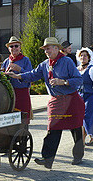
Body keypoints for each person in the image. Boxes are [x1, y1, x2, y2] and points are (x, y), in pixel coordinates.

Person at [6, 37, 84, 169]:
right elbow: (33, 74)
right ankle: (47, 159)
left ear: (56, 48)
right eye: (45, 49)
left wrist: (63, 82)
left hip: (71, 100)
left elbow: (79, 80)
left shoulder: (67, 61)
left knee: (75, 129)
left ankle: (78, 156)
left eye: (48, 48)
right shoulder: (44, 64)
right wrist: (18, 76)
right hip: (56, 101)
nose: (46, 51)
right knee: (52, 129)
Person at [1, 36, 33, 118]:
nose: (14, 48)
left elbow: (31, 76)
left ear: (20, 47)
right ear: (8, 49)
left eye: (16, 46)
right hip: (10, 94)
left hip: (22, 93)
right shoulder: (6, 61)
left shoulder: (26, 60)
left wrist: (19, 69)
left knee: (24, 119)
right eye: (11, 46)